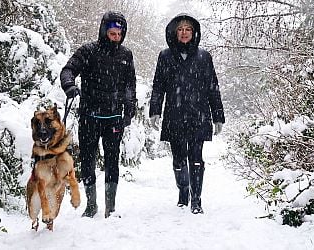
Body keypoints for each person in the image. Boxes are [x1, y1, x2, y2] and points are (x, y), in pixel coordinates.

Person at [60, 11, 137, 218]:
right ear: (104, 31)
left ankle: (110, 207)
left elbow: (130, 85)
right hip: (89, 117)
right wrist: (69, 85)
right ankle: (91, 205)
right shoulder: (88, 51)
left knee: (112, 161)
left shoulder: (126, 55)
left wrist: (129, 109)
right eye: (112, 33)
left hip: (114, 119)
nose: (116, 37)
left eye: (119, 34)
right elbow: (68, 70)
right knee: (87, 161)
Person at [149, 14, 225, 214]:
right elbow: (158, 86)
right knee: (178, 159)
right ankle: (183, 192)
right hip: (174, 114)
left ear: (194, 33)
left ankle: (196, 199)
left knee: (196, 158)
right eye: (181, 29)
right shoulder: (165, 56)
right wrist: (155, 111)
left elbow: (212, 87)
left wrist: (218, 116)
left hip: (198, 115)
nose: (184, 33)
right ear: (175, 32)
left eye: (188, 29)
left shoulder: (204, 56)